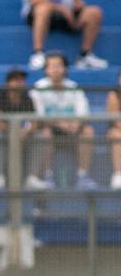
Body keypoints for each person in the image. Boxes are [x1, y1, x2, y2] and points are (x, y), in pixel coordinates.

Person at [29, 52, 98, 189]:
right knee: (44, 133)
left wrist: (76, 124)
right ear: (46, 70)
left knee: (88, 131)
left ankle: (83, 175)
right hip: (51, 129)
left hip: (72, 130)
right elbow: (39, 116)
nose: (55, 69)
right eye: (52, 66)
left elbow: (83, 112)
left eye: (59, 65)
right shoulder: (38, 88)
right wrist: (60, 123)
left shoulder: (74, 87)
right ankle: (47, 175)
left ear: (65, 69)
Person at [18, 0, 108, 71]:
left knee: (94, 12)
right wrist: (62, 10)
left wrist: (78, 2)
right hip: (41, 14)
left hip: (68, 13)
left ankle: (85, 55)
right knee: (43, 9)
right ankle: (38, 53)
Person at [0, 66, 48, 190]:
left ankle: (32, 177)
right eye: (16, 80)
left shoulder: (27, 98)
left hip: (22, 135)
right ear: (8, 82)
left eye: (22, 80)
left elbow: (34, 122)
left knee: (39, 136)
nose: (19, 83)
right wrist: (14, 131)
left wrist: (25, 132)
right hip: (4, 133)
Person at [106, 70, 121, 189]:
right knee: (117, 135)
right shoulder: (114, 95)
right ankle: (118, 174)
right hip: (117, 130)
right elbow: (116, 121)